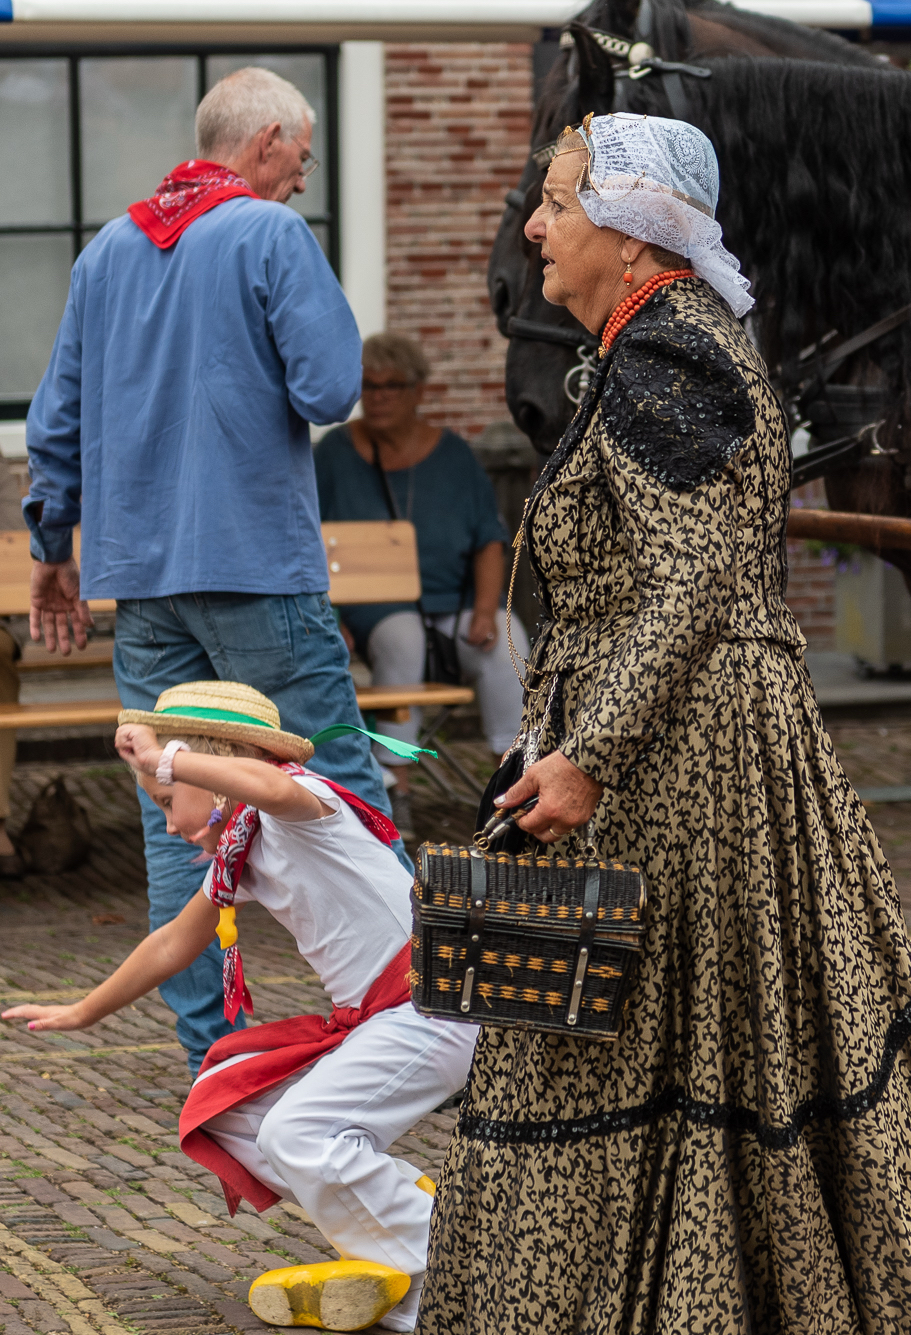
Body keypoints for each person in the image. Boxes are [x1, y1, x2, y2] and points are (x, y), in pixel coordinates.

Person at [415, 112, 911, 1335]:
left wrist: (589, 751)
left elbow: (690, 580)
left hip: (684, 761)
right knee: (692, 1038)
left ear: (635, 238)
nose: (534, 228)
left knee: (672, 1038)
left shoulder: (672, 357)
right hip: (664, 744)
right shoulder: (648, 349)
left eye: (560, 205)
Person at [23, 66, 401, 1077]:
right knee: (345, 792)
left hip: (142, 578)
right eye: (302, 159)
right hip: (255, 565)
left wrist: (51, 551)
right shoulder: (271, 234)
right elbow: (329, 389)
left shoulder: (105, 251)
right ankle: (414, 1023)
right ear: (267, 140)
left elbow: (55, 422)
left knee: (172, 808)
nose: (302, 181)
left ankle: (216, 1056)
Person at [1, 682, 474, 1334]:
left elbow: (269, 784)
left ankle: (445, 1281)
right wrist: (84, 1010)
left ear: (211, 771)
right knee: (232, 1112)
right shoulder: (242, 844)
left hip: (431, 1009)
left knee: (298, 1135)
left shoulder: (301, 803)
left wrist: (167, 759)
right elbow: (174, 941)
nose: (170, 824)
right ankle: (409, 1224)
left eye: (167, 801)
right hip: (389, 1018)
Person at [315, 332, 527, 829]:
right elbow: (308, 542)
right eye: (369, 386)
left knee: (509, 640)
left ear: (418, 391)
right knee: (402, 636)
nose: (379, 397)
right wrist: (330, 617)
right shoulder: (333, 454)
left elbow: (489, 539)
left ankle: (513, 779)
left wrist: (485, 611)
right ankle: (397, 784)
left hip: (455, 605)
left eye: (392, 386)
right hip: (374, 612)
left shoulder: (454, 456)